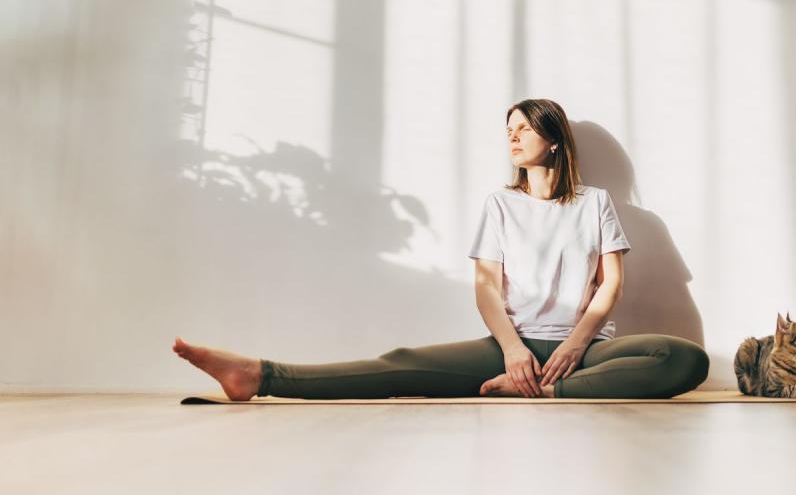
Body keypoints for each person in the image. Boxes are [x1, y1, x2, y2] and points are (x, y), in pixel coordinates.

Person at [173, 98, 710, 400]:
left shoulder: (596, 202)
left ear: (554, 138)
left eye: (524, 128)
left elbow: (610, 284)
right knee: (398, 365)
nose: (513, 137)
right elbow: (486, 289)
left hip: (587, 353)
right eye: (508, 130)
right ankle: (258, 373)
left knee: (683, 358)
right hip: (512, 346)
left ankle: (545, 394)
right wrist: (514, 352)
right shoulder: (500, 204)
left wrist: (573, 346)